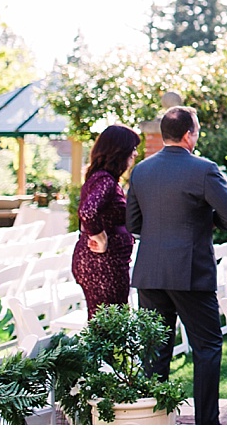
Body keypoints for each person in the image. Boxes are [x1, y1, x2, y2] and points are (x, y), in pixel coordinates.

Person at [127, 105, 227, 426]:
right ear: (188, 134)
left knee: (155, 350)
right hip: (190, 271)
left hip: (150, 272)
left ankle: (154, 420)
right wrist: (207, 216)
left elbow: (133, 223)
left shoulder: (140, 171)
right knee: (206, 347)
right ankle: (207, 424)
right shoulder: (203, 169)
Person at [71, 124, 139, 317]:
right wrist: (100, 237)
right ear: (119, 151)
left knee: (109, 322)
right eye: (132, 149)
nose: (135, 154)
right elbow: (88, 211)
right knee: (109, 323)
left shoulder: (102, 178)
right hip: (103, 264)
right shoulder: (105, 181)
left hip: (106, 263)